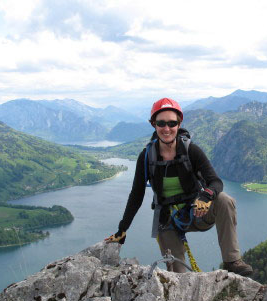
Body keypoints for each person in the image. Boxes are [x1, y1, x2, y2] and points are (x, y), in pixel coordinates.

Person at [105, 97, 253, 276]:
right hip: (167, 220)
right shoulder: (146, 157)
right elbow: (136, 195)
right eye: (161, 123)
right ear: (153, 124)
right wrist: (122, 229)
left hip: (197, 211)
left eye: (172, 123)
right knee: (178, 277)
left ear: (179, 124)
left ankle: (232, 261)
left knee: (224, 200)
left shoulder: (191, 151)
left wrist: (206, 196)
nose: (166, 129)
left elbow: (216, 182)